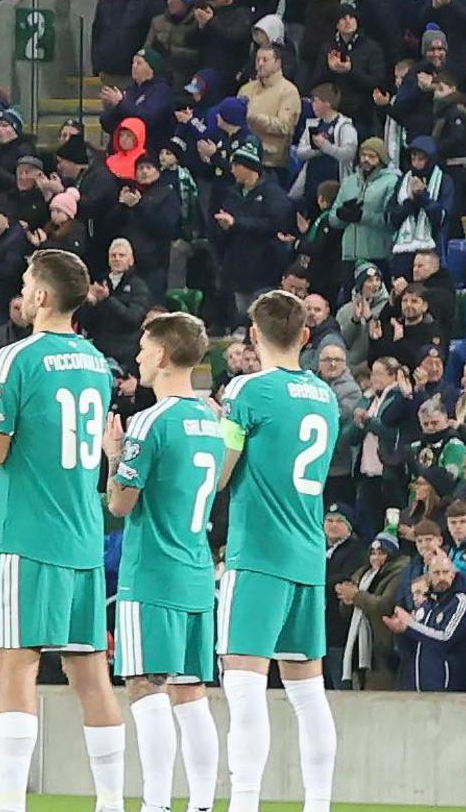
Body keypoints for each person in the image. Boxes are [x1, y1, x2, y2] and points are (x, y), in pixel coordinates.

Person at [0, 251, 130, 812]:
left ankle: (9, 804)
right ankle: (109, 801)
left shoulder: (15, 358)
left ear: (44, 298)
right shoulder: (95, 362)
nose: (23, 290)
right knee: (90, 672)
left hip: (28, 535)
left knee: (15, 664)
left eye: (29, 282)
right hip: (81, 535)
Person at [215, 291, 342, 812]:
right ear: (305, 336)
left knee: (243, 681)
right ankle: (319, 804)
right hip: (308, 555)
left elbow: (221, 471)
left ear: (253, 335)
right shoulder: (326, 396)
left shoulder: (247, 390)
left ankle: (244, 803)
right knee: (307, 691)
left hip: (260, 553)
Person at [112, 314, 231, 812]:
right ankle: (202, 804)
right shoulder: (211, 419)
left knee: (146, 686)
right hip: (197, 573)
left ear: (162, 355)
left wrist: (113, 455)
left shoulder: (149, 421)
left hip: (154, 573)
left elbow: (121, 502)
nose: (138, 356)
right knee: (191, 693)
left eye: (144, 347)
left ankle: (156, 803)